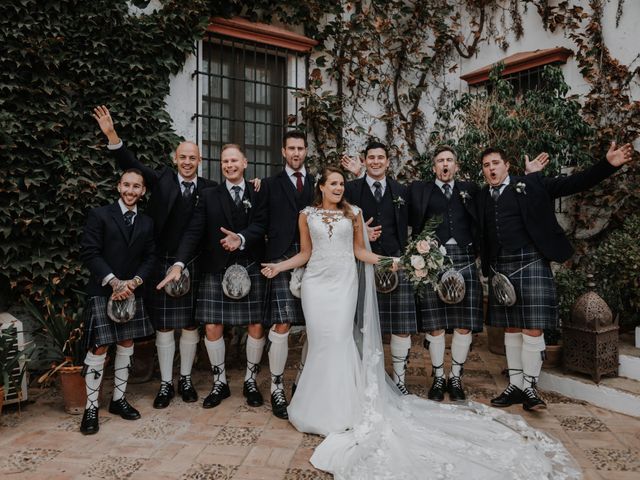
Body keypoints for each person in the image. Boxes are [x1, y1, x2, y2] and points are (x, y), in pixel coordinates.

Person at [261, 166, 580, 479]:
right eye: (333, 184)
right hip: (316, 285)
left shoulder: (354, 213)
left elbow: (360, 252)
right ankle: (313, 408)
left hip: (344, 285)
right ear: (321, 187)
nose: (339, 188)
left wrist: (394, 261)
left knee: (341, 340)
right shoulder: (307, 215)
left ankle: (345, 409)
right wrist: (280, 266)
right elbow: (305, 253)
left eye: (342, 183)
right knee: (319, 342)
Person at [479, 142, 634, 412]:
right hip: (500, 267)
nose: (491, 169)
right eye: (486, 165)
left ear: (507, 165)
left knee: (533, 328)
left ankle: (530, 387)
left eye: (495, 163)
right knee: (511, 328)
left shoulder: (530, 184)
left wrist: (608, 164)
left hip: (531, 262)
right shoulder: (482, 196)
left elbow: (573, 183)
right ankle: (515, 386)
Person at [93, 106, 216, 409]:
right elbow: (129, 163)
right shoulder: (161, 180)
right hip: (162, 261)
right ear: (176, 159)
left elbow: (233, 196)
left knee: (189, 325)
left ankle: (185, 379)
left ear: (200, 161)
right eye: (182, 157)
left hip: (194, 263)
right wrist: (112, 135)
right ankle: (165, 384)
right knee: (163, 325)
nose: (187, 162)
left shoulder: (211, 189)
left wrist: (254, 185)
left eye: (193, 157)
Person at [408, 146, 549, 402]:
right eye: (440, 161)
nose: (445, 164)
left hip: (464, 258)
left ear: (457, 166)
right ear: (434, 167)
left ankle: (456, 377)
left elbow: (491, 213)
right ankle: (439, 378)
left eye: (450, 160)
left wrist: (530, 177)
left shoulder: (472, 190)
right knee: (435, 325)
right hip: (432, 261)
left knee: (464, 326)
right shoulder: (420, 190)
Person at [158, 144, 267, 409]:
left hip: (250, 263)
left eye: (234, 161)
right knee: (211, 326)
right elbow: (194, 231)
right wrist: (179, 264)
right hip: (217, 267)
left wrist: (240, 238)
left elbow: (262, 223)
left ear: (245, 163)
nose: (229, 165)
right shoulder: (208, 195)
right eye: (224, 162)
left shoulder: (259, 191)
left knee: (255, 324)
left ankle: (250, 381)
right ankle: (220, 382)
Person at [79, 169, 156, 435]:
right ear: (118, 186)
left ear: (143, 191)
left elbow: (150, 258)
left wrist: (134, 283)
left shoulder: (146, 222)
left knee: (126, 342)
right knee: (99, 347)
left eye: (136, 187)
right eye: (126, 185)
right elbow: (90, 252)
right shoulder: (100, 215)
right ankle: (90, 407)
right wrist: (114, 282)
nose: (131, 191)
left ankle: (118, 400)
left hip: (132, 291)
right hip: (104, 291)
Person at [342, 141, 416, 395]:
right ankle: (366, 379)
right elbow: (340, 225)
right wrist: (362, 232)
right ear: (364, 160)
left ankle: (400, 380)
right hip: (362, 266)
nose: (376, 161)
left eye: (380, 157)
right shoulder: (351, 189)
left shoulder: (401, 191)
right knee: (362, 324)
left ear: (388, 161)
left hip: (396, 263)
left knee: (401, 325)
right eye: (371, 157)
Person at [257, 130, 315, 419]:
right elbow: (259, 222)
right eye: (291, 148)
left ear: (306, 151)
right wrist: (243, 240)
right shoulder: (268, 184)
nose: (296, 153)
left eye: (300, 148)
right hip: (280, 258)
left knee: (313, 326)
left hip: (315, 260)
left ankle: (303, 381)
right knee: (281, 323)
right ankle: (277, 386)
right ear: (283, 152)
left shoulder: (318, 183)